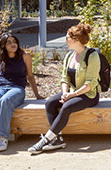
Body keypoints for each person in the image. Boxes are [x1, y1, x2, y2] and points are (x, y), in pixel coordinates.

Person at [28, 23, 100, 154]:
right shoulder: (69, 56)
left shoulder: (92, 55)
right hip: (72, 92)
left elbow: (90, 83)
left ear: (76, 40)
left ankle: (45, 140)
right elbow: (64, 78)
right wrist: (66, 92)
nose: (65, 40)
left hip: (88, 94)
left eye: (67, 38)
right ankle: (57, 139)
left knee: (66, 107)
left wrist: (72, 95)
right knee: (50, 103)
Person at [0, 32, 43, 152]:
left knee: (5, 100)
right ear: (3, 45)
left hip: (17, 89)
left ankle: (2, 137)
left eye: (14, 42)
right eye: (9, 42)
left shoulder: (25, 56)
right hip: (1, 87)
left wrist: (37, 95)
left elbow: (30, 76)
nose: (13, 44)